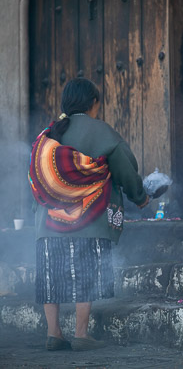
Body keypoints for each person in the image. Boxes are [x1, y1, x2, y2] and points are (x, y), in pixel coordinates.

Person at [30, 78, 149, 351]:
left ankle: (54, 333)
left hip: (48, 223)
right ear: (93, 103)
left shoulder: (48, 134)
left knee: (52, 275)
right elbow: (125, 168)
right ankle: (81, 334)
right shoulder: (103, 132)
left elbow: (36, 176)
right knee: (86, 271)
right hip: (90, 221)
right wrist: (140, 197)